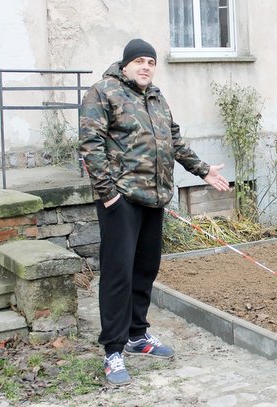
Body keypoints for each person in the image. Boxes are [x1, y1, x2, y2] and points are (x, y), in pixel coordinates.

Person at [79, 38, 231, 386]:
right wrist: (108, 196)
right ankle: (113, 351)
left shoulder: (157, 97)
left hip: (155, 197)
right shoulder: (103, 92)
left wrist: (203, 170)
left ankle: (137, 336)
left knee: (145, 269)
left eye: (151, 61)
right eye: (139, 61)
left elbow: (173, 140)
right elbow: (91, 145)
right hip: (122, 201)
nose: (146, 66)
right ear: (126, 64)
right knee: (118, 274)